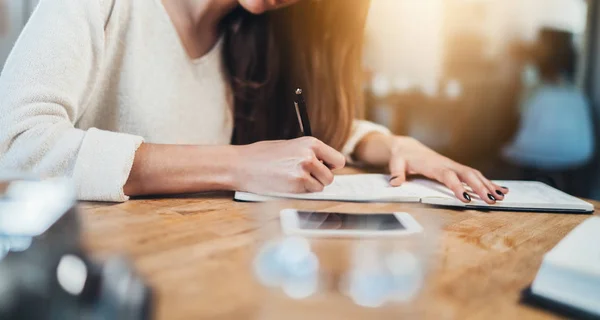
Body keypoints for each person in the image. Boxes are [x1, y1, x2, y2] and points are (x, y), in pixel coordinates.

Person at [0, 0, 507, 204]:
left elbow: (322, 129)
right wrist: (238, 163)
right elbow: (15, 146)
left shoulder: (255, 37)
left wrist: (391, 141)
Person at [503, 28, 595, 192]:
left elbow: (517, 118)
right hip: (578, 153)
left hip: (532, 151)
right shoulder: (576, 93)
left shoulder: (534, 91)